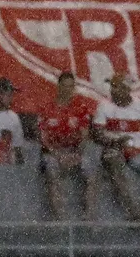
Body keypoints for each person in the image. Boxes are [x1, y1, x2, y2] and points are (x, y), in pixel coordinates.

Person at [96, 73, 140, 221]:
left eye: (117, 88)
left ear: (127, 90)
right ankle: (132, 211)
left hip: (136, 150)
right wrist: (114, 141)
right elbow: (97, 134)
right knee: (113, 161)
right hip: (114, 148)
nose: (113, 92)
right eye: (112, 88)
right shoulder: (104, 106)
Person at [37, 71, 99, 220]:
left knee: (91, 173)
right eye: (65, 86)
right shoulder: (46, 108)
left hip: (75, 151)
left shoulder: (81, 108)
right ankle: (60, 218)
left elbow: (85, 135)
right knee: (51, 173)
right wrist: (58, 156)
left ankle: (88, 216)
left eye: (71, 87)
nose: (68, 90)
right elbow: (42, 138)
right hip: (52, 152)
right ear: (58, 87)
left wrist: (76, 154)